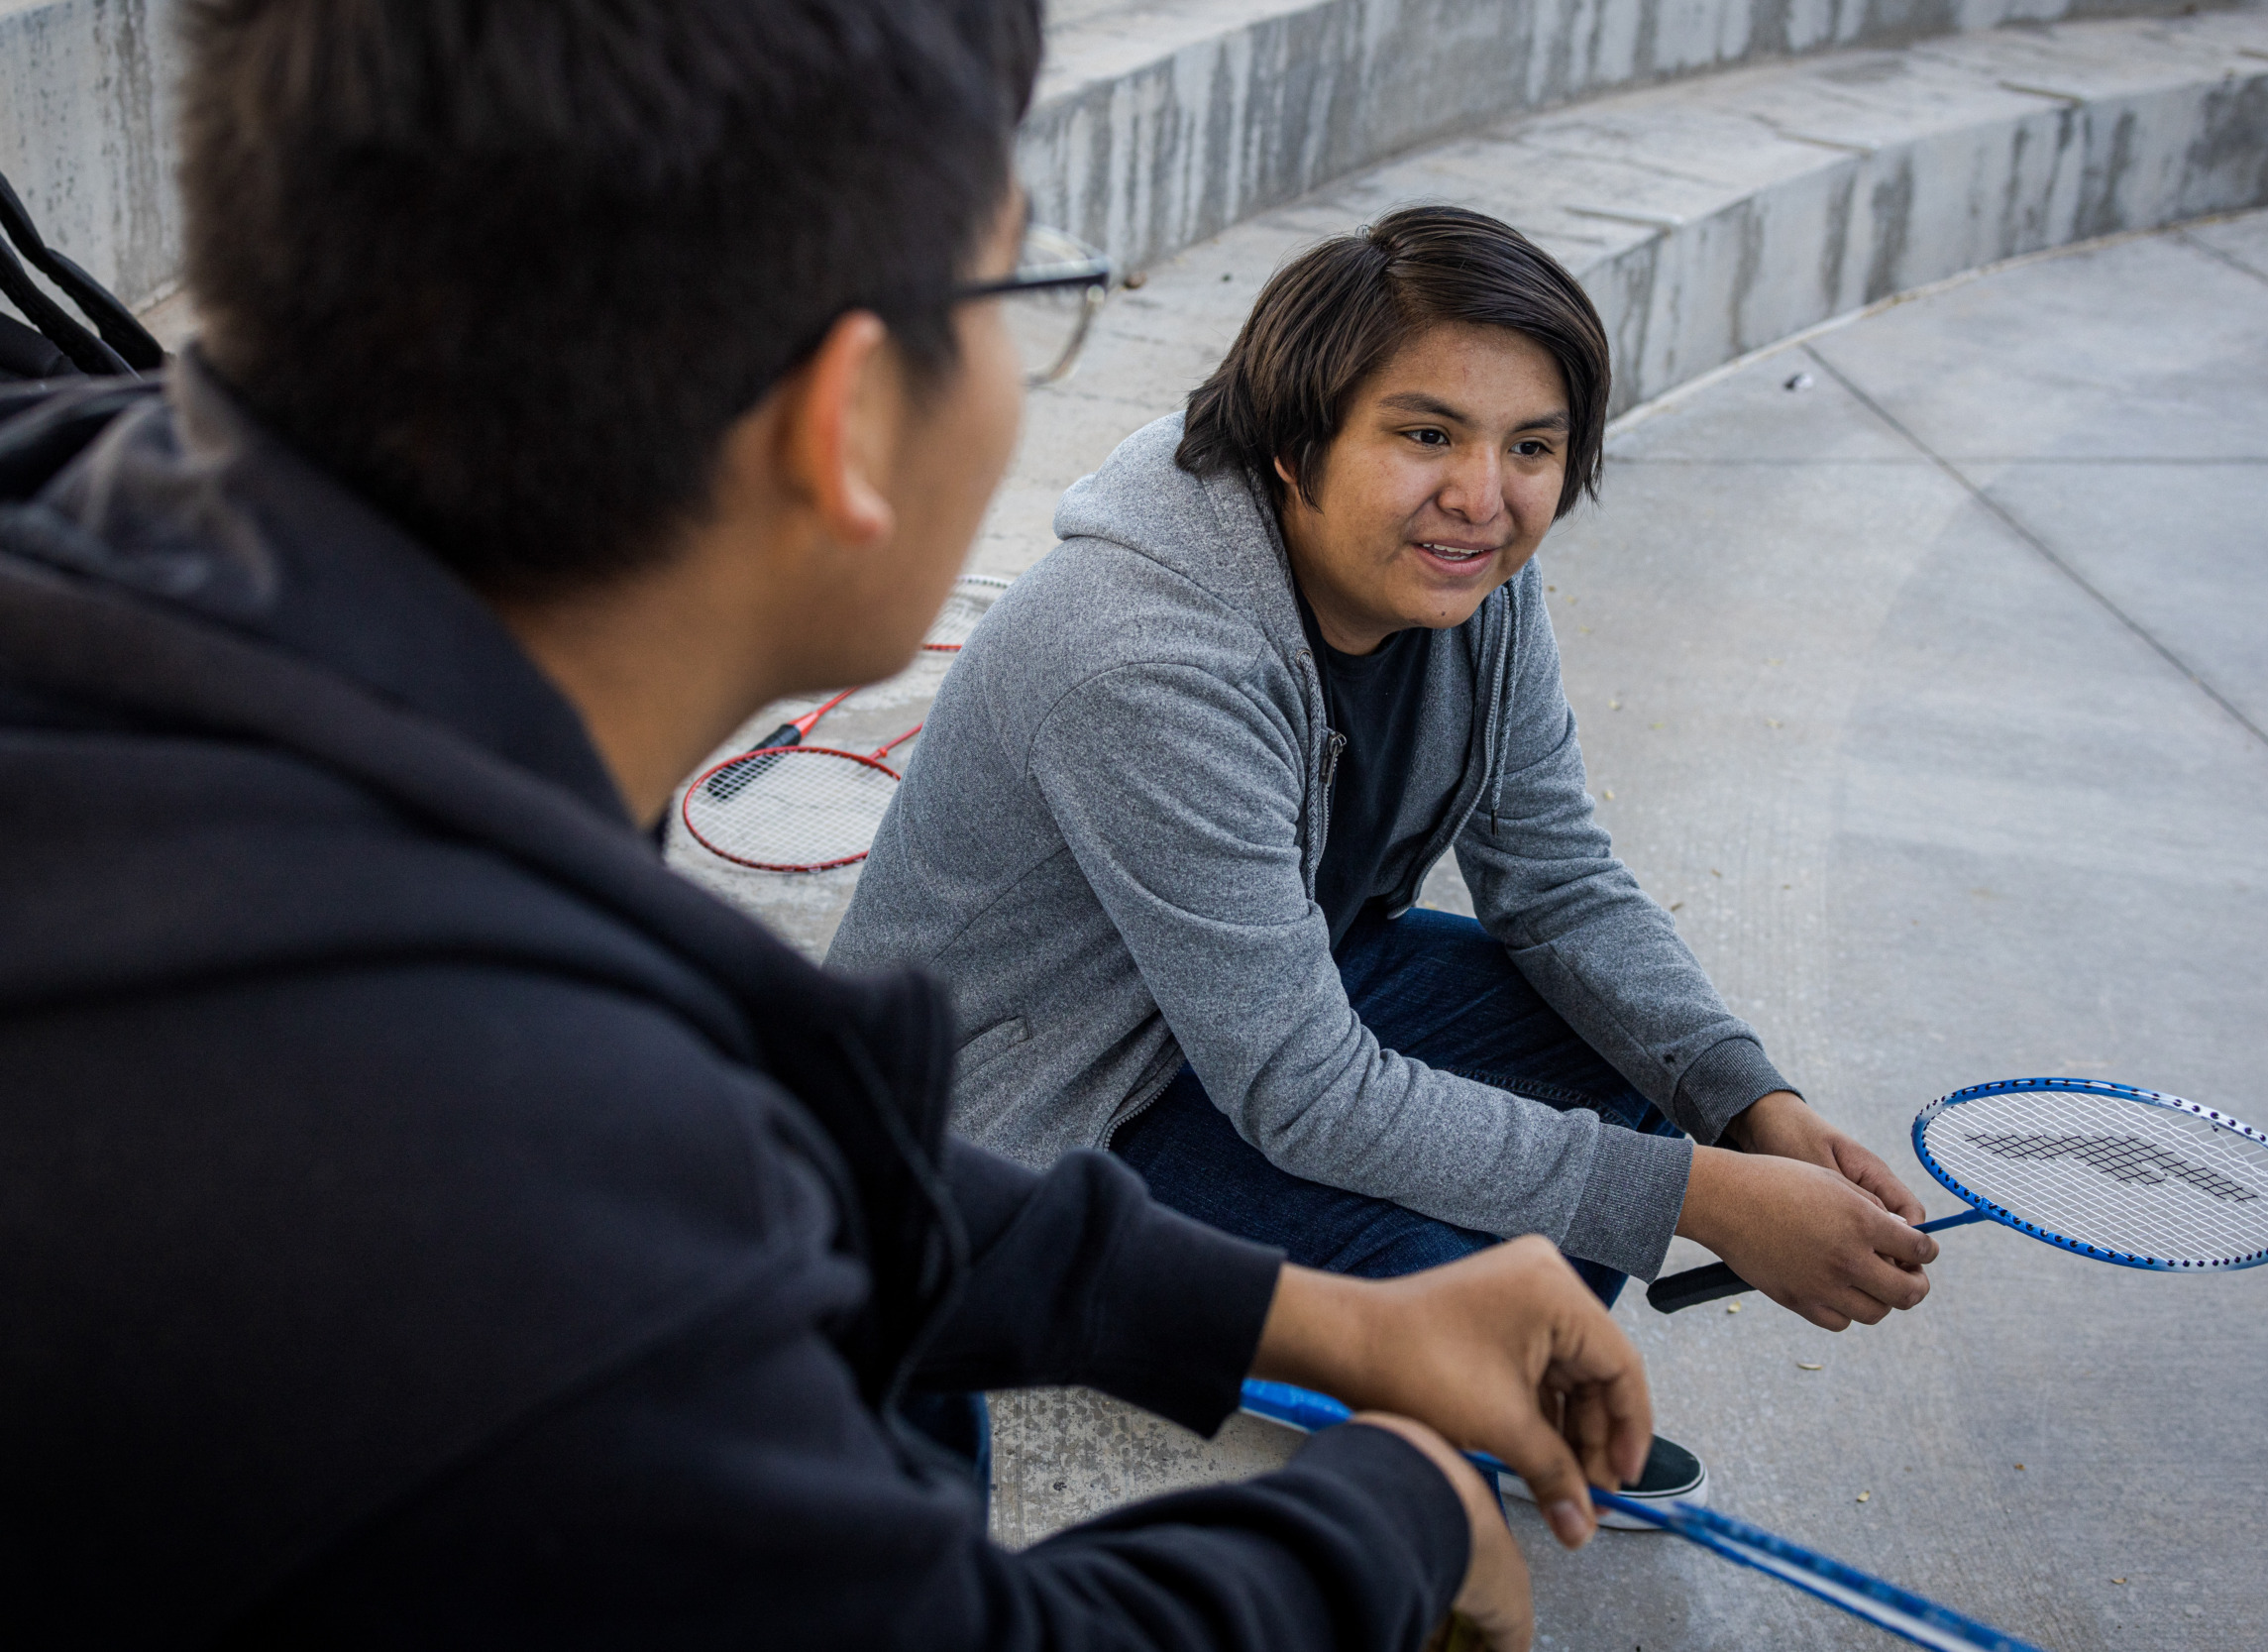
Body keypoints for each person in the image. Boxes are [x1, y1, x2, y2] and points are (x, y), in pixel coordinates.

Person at [0, 4, 1660, 1647]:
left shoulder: (126, 555)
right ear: (845, 418)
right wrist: (1392, 1514)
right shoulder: (516, 1209)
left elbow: (789, 1145)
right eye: (1023, 294)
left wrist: (1316, 1324)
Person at [829, 205, 1941, 1516]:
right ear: (1298, 445)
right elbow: (1303, 1091)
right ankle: (1452, 1391)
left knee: (1640, 1058)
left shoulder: (1470, 570)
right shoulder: (1143, 657)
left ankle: (1511, 1385)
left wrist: (1751, 1109)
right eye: (1427, 434)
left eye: (1532, 446)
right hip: (1053, 1111)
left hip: (1258, 1011)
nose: (1483, 494)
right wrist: (1704, 1198)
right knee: (1443, 1249)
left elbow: (1554, 873)